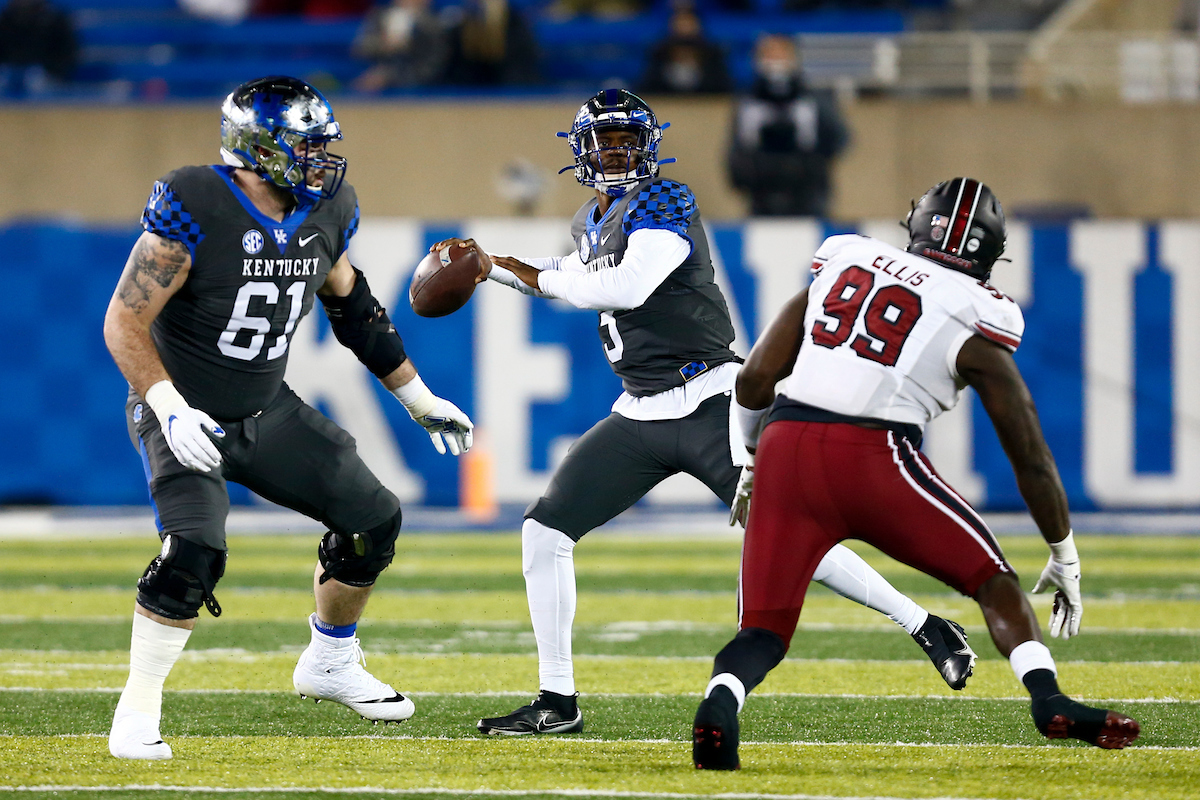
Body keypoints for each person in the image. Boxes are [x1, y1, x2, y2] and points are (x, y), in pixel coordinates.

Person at [434, 89, 977, 737]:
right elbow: (571, 268)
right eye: (604, 142)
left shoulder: (666, 200)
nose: (616, 154)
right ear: (581, 151)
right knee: (544, 533)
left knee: (791, 535)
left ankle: (925, 624)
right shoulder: (593, 217)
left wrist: (516, 271)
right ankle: (558, 700)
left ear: (649, 147)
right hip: (640, 411)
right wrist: (491, 265)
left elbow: (626, 286)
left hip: (709, 400)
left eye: (627, 142)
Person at [691, 177, 1142, 770]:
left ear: (918, 223)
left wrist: (752, 460)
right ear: (990, 252)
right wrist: (1063, 552)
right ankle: (1048, 698)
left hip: (785, 447)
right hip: (873, 456)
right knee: (991, 580)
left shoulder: (847, 259)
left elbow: (754, 379)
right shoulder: (978, 311)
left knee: (762, 630)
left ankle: (720, 703)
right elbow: (1028, 451)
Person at [102, 75, 474, 760]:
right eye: (306, 146)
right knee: (194, 553)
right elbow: (124, 321)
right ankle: (138, 706)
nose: (320, 159)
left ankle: (330, 662)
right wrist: (167, 406)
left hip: (266, 408)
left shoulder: (328, 208)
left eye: (322, 144)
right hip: (182, 409)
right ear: (259, 147)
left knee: (372, 520)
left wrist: (417, 396)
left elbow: (353, 308)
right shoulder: (198, 200)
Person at [727, 33, 848, 218]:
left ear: (794, 58)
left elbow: (840, 139)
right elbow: (735, 153)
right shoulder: (748, 102)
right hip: (762, 199)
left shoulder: (814, 99)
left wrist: (815, 142)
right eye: (768, 55)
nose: (775, 61)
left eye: (781, 54)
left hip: (810, 198)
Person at [351, 0, 451, 93]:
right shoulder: (380, 16)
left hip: (420, 89)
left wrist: (389, 77)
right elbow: (360, 49)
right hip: (372, 84)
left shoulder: (436, 25)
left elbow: (433, 67)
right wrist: (382, 45)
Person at [638, 6, 731, 96]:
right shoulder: (658, 55)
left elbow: (725, 92)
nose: (684, 28)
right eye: (680, 23)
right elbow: (647, 91)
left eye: (689, 23)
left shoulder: (713, 55)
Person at [0, 0, 76, 98]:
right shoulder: (3, 20)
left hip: (48, 77)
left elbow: (68, 53)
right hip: (7, 75)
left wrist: (50, 72)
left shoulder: (55, 20)